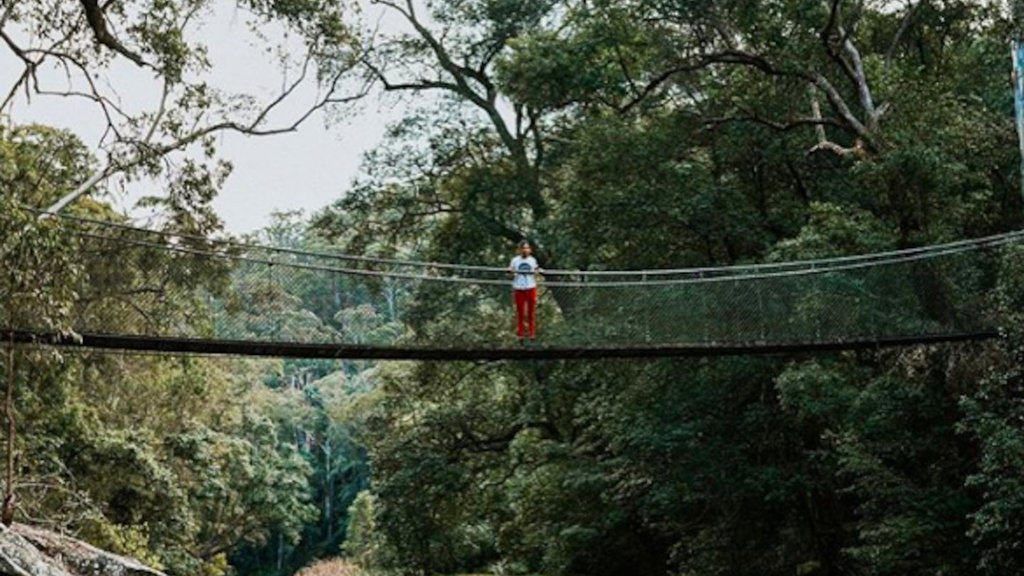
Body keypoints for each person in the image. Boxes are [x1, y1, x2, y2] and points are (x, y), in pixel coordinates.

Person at [509, 240, 542, 342]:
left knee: (531, 312)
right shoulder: (515, 260)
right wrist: (510, 271)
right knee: (520, 312)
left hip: (530, 287)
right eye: (523, 248)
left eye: (527, 248)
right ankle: (521, 334)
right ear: (519, 250)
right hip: (519, 288)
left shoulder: (532, 260)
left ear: (530, 250)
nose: (525, 250)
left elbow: (536, 271)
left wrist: (538, 271)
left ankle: (532, 334)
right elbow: (510, 273)